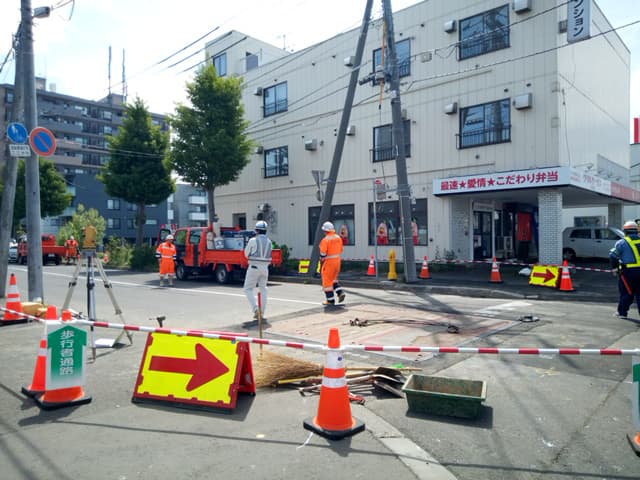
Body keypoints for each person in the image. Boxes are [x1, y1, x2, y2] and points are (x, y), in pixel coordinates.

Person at [609, 220, 640, 319]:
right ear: (637, 231)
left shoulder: (622, 242)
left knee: (627, 292)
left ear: (625, 231)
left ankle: (622, 313)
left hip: (628, 272)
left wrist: (614, 268)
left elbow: (613, 255)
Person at [243, 221, 272, 319]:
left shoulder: (253, 240)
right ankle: (262, 312)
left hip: (254, 267)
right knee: (263, 289)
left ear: (257, 230)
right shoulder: (269, 241)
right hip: (265, 268)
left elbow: (246, 254)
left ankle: (256, 309)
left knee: (248, 288)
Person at [319, 221, 345, 305]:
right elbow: (341, 249)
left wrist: (322, 260)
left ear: (325, 231)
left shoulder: (325, 240)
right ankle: (340, 292)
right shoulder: (338, 238)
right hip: (337, 261)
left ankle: (330, 300)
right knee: (333, 279)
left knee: (327, 281)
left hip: (329, 262)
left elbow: (323, 254)